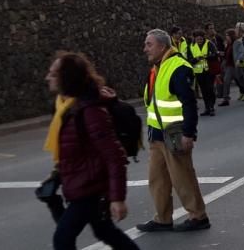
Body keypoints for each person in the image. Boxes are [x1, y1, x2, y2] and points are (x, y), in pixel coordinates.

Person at [44, 52, 139, 250]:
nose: (47, 77)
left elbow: (114, 155)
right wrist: (57, 175)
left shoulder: (90, 111)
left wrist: (117, 198)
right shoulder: (66, 108)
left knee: (63, 239)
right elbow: (74, 151)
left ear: (66, 78)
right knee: (105, 232)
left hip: (91, 189)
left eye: (53, 74)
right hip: (82, 184)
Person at [136, 29, 210, 233]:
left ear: (162, 46)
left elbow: (189, 103)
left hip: (174, 135)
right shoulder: (157, 68)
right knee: (157, 179)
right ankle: (162, 219)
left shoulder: (178, 67)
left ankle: (198, 216)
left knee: (182, 177)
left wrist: (189, 133)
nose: (145, 49)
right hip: (157, 135)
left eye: (148, 45)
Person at [185, 30, 217, 117]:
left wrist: (206, 56)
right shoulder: (191, 47)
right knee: (203, 91)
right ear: (194, 38)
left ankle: (211, 107)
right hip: (198, 72)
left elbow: (215, 54)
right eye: (197, 38)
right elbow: (189, 60)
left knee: (210, 89)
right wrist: (196, 59)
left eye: (201, 37)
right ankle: (207, 108)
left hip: (209, 70)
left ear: (203, 37)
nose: (199, 39)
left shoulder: (209, 43)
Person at [222, 28, 244, 106]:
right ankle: (225, 99)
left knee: (242, 82)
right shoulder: (228, 44)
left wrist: (238, 60)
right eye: (226, 35)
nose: (226, 37)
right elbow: (227, 54)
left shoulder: (237, 43)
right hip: (229, 66)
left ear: (231, 36)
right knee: (226, 82)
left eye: (227, 35)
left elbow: (242, 53)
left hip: (237, 66)